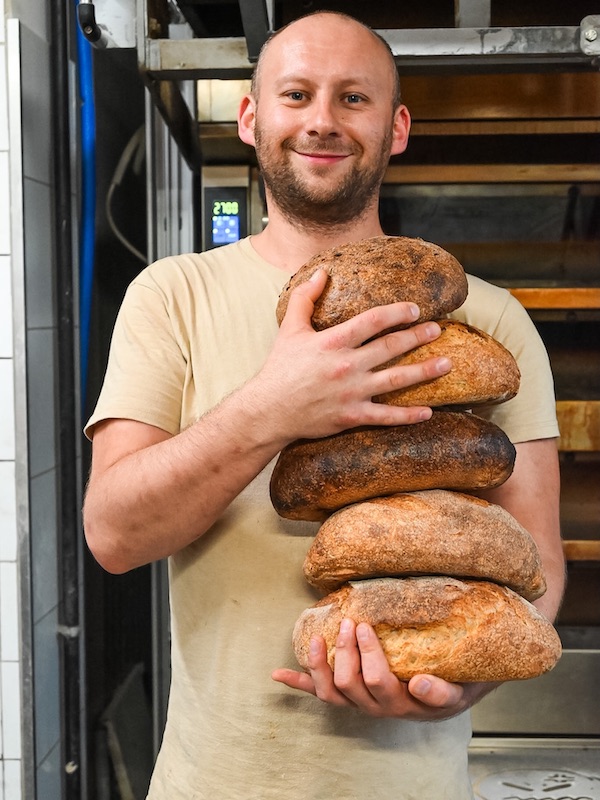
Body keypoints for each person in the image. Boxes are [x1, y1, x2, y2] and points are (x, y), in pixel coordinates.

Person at [83, 11, 565, 799]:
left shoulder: (493, 323)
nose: (321, 121)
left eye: (354, 99)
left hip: (414, 783)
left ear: (397, 126)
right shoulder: (173, 297)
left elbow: (537, 566)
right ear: (251, 117)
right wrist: (275, 404)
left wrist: (471, 681)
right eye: (296, 93)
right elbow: (113, 534)